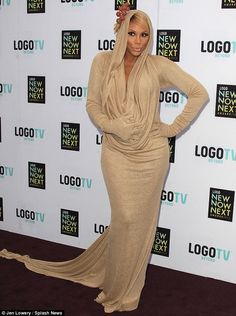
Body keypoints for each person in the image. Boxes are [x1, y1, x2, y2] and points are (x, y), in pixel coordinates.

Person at [0, 4, 209, 314]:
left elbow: (199, 92)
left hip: (151, 155)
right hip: (116, 152)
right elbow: (93, 105)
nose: (137, 41)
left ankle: (124, 290)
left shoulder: (157, 65)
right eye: (132, 33)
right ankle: (113, 280)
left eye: (144, 35)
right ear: (122, 32)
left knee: (139, 224)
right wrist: (115, 126)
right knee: (125, 218)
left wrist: (171, 129)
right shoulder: (102, 63)